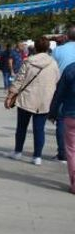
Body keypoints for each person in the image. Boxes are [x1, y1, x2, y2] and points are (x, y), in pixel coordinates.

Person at [4, 37, 60, 166]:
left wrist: (10, 94)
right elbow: (57, 80)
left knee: (21, 127)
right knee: (39, 129)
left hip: (27, 98)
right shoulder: (53, 63)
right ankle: (37, 156)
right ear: (47, 48)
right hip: (44, 100)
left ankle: (18, 152)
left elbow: (19, 80)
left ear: (35, 47)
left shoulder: (29, 61)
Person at [49, 61, 75, 192]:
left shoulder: (70, 69)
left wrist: (53, 112)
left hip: (71, 114)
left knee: (71, 150)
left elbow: (59, 93)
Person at [52, 26, 75, 164]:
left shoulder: (58, 50)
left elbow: (52, 69)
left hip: (62, 87)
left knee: (62, 121)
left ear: (67, 36)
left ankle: (62, 153)